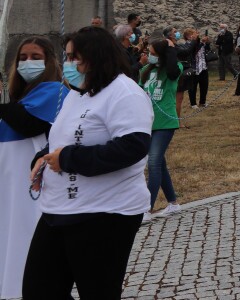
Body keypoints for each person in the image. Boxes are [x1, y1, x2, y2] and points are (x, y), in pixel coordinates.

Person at [24, 26, 152, 299]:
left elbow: (133, 147)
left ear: (97, 57)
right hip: (58, 210)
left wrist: (68, 159)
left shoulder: (124, 93)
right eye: (67, 57)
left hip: (103, 214)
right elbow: (64, 135)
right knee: (39, 291)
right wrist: (43, 158)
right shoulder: (76, 93)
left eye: (74, 58)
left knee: (98, 292)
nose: (68, 64)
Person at [0, 37, 63, 299]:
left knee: (25, 247)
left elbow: (27, 123)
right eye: (23, 58)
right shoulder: (22, 97)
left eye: (35, 57)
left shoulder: (55, 91)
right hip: (9, 186)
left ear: (49, 61)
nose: (28, 62)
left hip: (30, 189)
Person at [137, 38, 183, 222]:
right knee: (160, 164)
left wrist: (171, 50)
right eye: (149, 53)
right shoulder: (145, 71)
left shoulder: (174, 69)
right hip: (148, 123)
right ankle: (173, 203)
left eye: (154, 54)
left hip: (165, 123)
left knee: (153, 162)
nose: (150, 56)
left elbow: (173, 72)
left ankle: (146, 209)